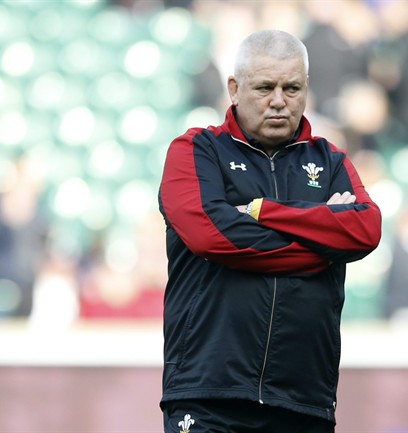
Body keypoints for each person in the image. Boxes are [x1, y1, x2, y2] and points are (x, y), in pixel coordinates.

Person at [158, 29, 382, 433]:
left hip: (304, 399)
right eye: (265, 87)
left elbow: (365, 230)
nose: (279, 100)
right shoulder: (195, 150)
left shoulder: (329, 161)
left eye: (292, 88)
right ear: (234, 88)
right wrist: (322, 238)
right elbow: (212, 236)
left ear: (307, 89)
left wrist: (262, 212)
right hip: (209, 393)